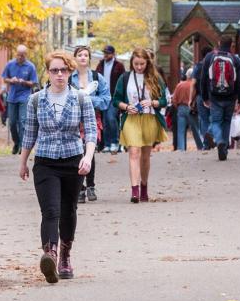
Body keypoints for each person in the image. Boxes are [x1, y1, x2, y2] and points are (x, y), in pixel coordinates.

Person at [19, 50, 96, 283]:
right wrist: (23, 162)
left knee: (68, 210)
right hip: (45, 162)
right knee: (50, 210)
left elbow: (91, 131)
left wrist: (88, 157)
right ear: (48, 73)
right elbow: (29, 133)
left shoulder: (81, 98)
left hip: (73, 161)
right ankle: (49, 255)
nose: (59, 74)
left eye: (63, 70)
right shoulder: (36, 100)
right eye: (54, 70)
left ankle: (65, 255)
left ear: (70, 72)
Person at [113, 48, 168, 202]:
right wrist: (126, 106)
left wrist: (153, 102)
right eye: (136, 64)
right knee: (134, 152)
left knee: (145, 156)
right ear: (131, 63)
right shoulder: (125, 78)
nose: (139, 67)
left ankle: (144, 186)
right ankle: (134, 191)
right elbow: (115, 100)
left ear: (147, 63)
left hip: (149, 118)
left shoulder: (155, 78)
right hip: (131, 119)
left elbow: (164, 100)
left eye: (142, 64)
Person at [70, 45, 111, 203]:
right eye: (80, 55)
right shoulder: (69, 78)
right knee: (77, 152)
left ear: (89, 58)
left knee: (89, 150)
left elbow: (106, 100)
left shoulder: (97, 77)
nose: (82, 57)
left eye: (85, 55)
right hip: (73, 119)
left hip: (92, 118)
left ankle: (91, 185)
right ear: (75, 58)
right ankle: (79, 188)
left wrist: (87, 98)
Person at [198, 36, 240, 161]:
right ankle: (224, 147)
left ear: (218, 43)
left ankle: (219, 141)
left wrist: (204, 97)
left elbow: (203, 79)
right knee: (227, 121)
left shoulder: (209, 57)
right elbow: (239, 82)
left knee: (216, 121)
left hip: (215, 96)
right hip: (230, 96)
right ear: (231, 45)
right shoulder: (235, 59)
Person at [1, 45, 39, 155]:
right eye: (18, 55)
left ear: (25, 55)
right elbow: (4, 78)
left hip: (24, 96)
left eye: (22, 55)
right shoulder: (10, 64)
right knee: (12, 122)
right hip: (12, 96)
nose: (20, 57)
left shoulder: (30, 66)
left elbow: (34, 82)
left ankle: (23, 146)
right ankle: (16, 142)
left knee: (23, 121)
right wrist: (11, 80)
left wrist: (24, 82)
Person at [95, 45, 126, 153]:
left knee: (111, 118)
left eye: (108, 53)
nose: (105, 55)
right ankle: (107, 144)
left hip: (114, 96)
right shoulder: (100, 65)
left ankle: (115, 142)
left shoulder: (119, 66)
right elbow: (96, 79)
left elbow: (123, 81)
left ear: (113, 54)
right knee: (105, 121)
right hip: (103, 96)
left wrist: (122, 96)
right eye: (104, 53)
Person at [170, 68, 198, 151]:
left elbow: (174, 99)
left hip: (181, 108)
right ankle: (200, 146)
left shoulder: (180, 85)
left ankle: (181, 149)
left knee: (181, 131)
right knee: (196, 129)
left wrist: (177, 107)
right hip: (192, 108)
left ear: (186, 75)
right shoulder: (194, 86)